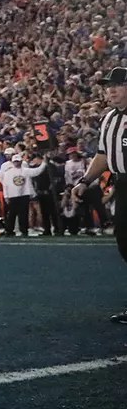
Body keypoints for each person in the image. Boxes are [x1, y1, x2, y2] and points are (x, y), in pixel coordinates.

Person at [69, 66, 126, 323]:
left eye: (117, 84)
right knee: (124, 242)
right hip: (122, 184)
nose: (111, 90)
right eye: (108, 86)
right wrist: (85, 180)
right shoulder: (109, 119)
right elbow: (103, 155)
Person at [0, 150, 45, 237]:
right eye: (15, 161)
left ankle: (24, 230)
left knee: (23, 214)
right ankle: (9, 230)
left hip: (24, 194)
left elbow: (37, 171)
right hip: (13, 195)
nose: (17, 163)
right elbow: (5, 185)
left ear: (21, 161)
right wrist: (6, 196)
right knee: (11, 214)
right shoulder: (8, 173)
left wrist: (44, 163)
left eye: (18, 161)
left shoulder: (25, 170)